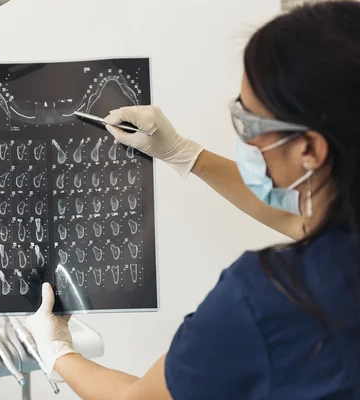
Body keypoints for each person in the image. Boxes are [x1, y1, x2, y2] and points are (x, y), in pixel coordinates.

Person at [25, 1, 360, 399]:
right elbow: (304, 223)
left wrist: (57, 351)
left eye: (249, 123)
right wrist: (185, 154)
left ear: (310, 150)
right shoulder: (341, 248)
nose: (246, 139)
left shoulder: (270, 298)